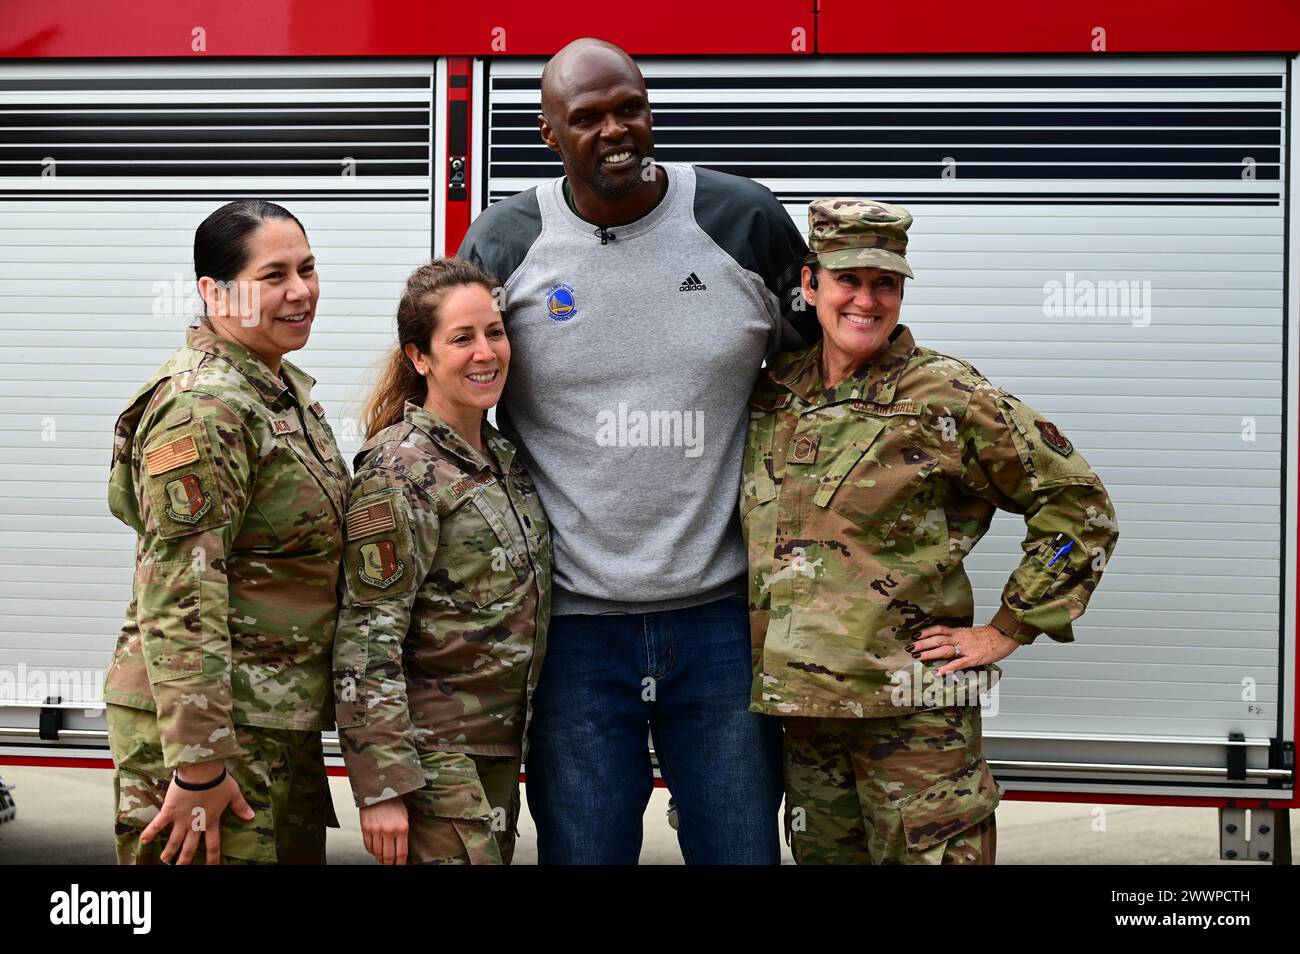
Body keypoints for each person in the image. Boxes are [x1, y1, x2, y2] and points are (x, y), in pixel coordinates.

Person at [458, 37, 817, 864]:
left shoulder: (742, 220)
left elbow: (820, 380)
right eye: (587, 118)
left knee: (740, 852)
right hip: (573, 627)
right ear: (549, 134)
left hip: (723, 619)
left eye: (631, 107)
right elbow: (451, 402)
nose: (616, 129)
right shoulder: (505, 243)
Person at [742, 198, 1120, 864]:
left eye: (884, 283)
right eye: (848, 279)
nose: (866, 299)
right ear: (810, 284)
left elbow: (1077, 504)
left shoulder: (946, 396)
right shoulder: (776, 394)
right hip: (807, 723)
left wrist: (1009, 625)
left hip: (916, 719)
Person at [104, 199, 346, 865]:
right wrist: (201, 765)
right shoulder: (204, 407)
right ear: (214, 291)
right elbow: (181, 595)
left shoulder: (274, 390)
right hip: (209, 737)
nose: (301, 292)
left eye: (308, 269)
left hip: (268, 718)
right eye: (273, 276)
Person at [332, 258, 551, 865]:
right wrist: (381, 786)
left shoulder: (501, 456)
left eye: (495, 332)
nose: (486, 352)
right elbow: (366, 635)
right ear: (419, 357)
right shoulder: (400, 470)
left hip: (494, 752)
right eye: (462, 338)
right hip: (434, 760)